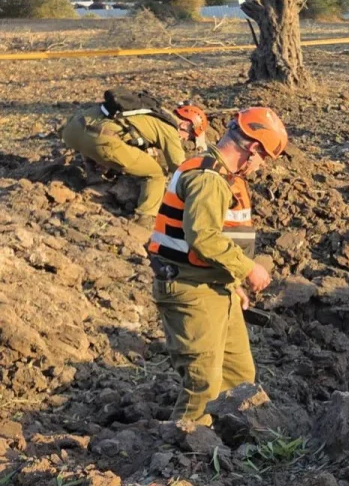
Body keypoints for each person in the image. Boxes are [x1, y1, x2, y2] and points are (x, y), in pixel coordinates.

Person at [147, 107, 287, 424]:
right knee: (203, 384)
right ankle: (183, 451)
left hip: (216, 286)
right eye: (264, 158)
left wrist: (233, 283)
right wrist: (248, 269)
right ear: (253, 149)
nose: (261, 166)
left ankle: (225, 444)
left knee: (239, 375)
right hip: (191, 290)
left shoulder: (222, 175)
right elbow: (204, 237)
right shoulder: (207, 178)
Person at [60, 95, 208, 226]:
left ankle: (93, 172)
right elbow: (178, 167)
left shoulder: (149, 112)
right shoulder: (170, 129)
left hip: (72, 131)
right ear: (186, 125)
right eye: (190, 136)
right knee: (156, 174)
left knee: (118, 150)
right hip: (100, 141)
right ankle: (145, 218)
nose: (186, 139)